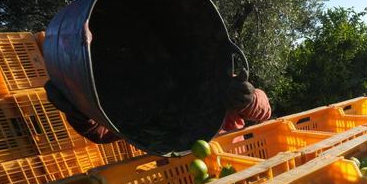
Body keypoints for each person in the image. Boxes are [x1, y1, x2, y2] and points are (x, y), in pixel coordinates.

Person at [45, 68, 271, 144]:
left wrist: (249, 99)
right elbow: (104, 130)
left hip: (235, 161)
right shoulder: (148, 101)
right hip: (184, 177)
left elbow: (263, 111)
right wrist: (79, 110)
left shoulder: (216, 80)